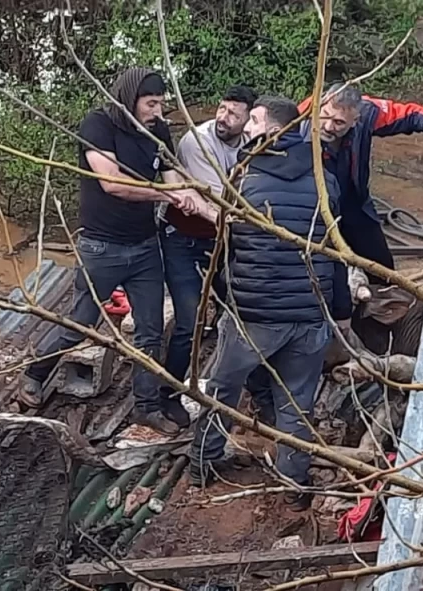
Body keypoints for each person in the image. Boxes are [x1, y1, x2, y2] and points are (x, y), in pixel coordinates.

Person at [190, 95, 351, 510]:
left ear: (274, 130)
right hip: (309, 314)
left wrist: (222, 293)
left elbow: (226, 246)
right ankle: (292, 482)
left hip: (253, 316)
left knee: (222, 391)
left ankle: (202, 465)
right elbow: (336, 250)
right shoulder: (324, 180)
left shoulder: (244, 176)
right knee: (297, 404)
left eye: (254, 122)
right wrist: (339, 310)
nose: (246, 128)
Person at [23, 67, 199, 435]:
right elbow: (112, 183)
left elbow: (174, 179)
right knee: (80, 324)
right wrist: (168, 196)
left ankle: (146, 406)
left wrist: (195, 201)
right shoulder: (98, 125)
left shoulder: (158, 130)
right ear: (129, 100)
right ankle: (35, 374)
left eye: (161, 103)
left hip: (145, 247)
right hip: (101, 247)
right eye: (150, 104)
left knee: (150, 331)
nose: (157, 111)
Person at [158, 85, 257, 426]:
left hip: (224, 241)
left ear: (248, 121)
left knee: (244, 309)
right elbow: (216, 203)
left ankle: (249, 386)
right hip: (184, 239)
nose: (223, 118)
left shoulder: (253, 143)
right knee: (189, 321)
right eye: (222, 109)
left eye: (234, 114)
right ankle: (168, 394)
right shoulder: (196, 142)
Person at [298, 84, 423, 278]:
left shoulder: (368, 112)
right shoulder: (300, 117)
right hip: (311, 208)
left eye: (339, 122)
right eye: (325, 116)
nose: (329, 127)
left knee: (382, 271)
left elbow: (405, 114)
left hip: (353, 202)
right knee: (321, 269)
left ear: (355, 120)